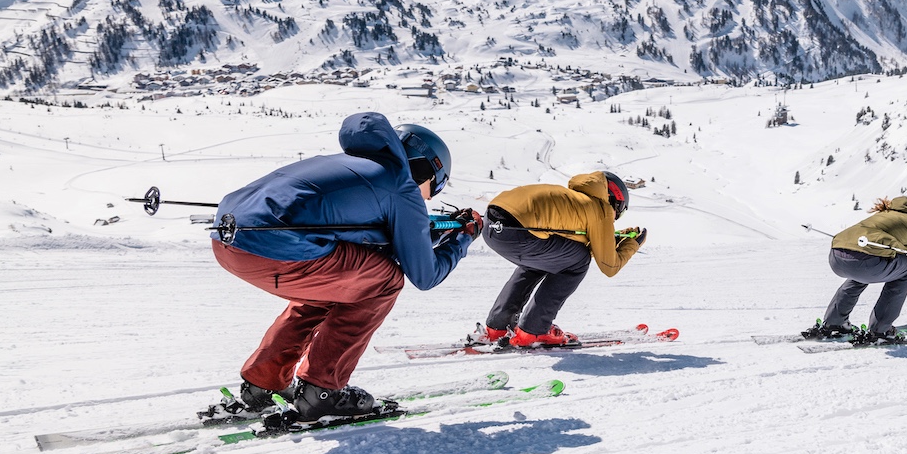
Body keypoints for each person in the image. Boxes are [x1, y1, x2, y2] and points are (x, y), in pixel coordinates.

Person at [211, 112, 482, 421]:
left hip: (229, 242)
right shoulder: (400, 183)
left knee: (334, 289)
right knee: (384, 282)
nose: (427, 199)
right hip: (278, 250)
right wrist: (463, 238)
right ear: (426, 171)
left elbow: (350, 226)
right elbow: (425, 275)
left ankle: (263, 384)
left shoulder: (349, 165)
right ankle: (322, 390)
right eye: (432, 189)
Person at [470, 171, 646, 348]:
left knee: (539, 263)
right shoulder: (600, 208)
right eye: (620, 211)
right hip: (522, 232)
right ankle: (534, 330)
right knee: (579, 262)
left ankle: (498, 326)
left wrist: (609, 240)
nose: (616, 216)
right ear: (614, 200)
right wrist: (632, 244)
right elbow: (610, 266)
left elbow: (566, 241)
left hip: (493, 226)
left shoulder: (573, 199)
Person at [804, 189, 907, 343]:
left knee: (861, 272)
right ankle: (880, 330)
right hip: (868, 261)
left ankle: (834, 323)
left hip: (837, 257)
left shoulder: (884, 213)